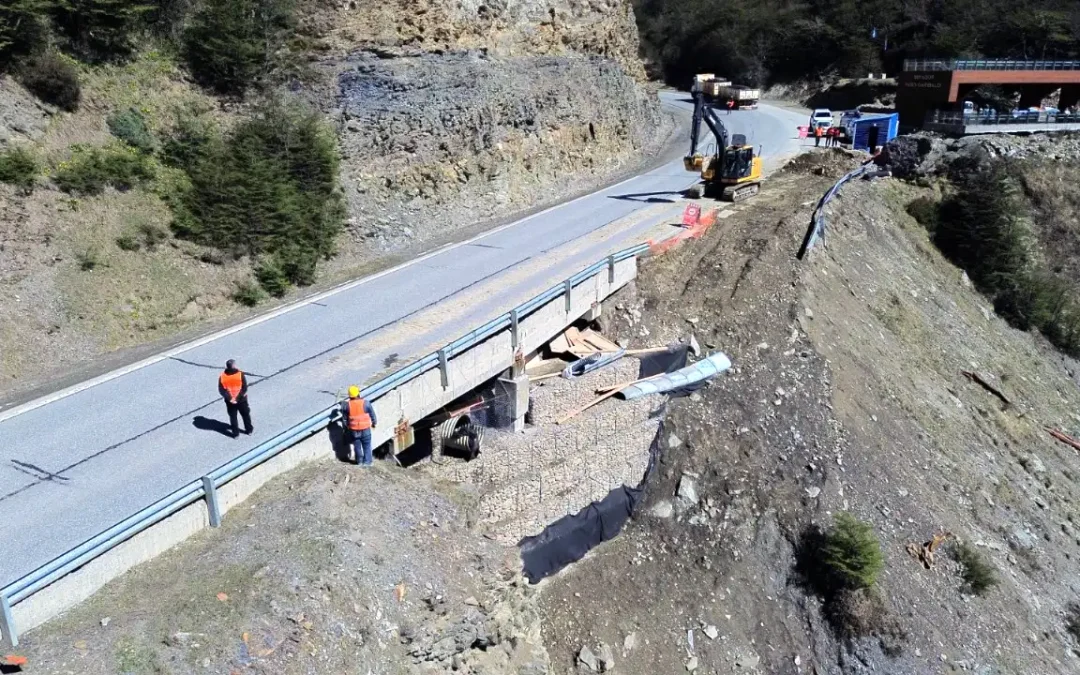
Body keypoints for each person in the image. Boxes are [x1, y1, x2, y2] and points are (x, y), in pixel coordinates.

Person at [340, 386, 377, 466]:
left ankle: (359, 461)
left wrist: (345, 428)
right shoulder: (365, 403)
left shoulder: (347, 405)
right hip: (365, 429)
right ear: (358, 393)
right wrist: (374, 423)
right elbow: (372, 414)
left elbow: (345, 419)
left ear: (349, 395)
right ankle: (367, 462)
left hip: (354, 430)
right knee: (367, 446)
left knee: (357, 446)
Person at [218, 359, 253, 438]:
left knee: (233, 417)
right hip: (241, 400)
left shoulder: (222, 376)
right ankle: (249, 430)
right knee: (245, 415)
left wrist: (230, 399)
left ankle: (235, 433)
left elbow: (221, 390)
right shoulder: (240, 374)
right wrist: (237, 398)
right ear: (234, 366)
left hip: (230, 402)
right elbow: (244, 388)